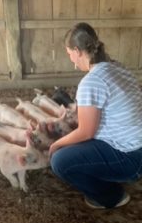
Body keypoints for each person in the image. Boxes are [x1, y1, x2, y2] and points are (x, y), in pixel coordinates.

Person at [49, 22, 142, 209]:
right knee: (75, 141)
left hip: (131, 158)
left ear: (77, 51)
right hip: (136, 145)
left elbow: (86, 132)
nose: (70, 58)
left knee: (59, 161)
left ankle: (112, 197)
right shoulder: (116, 67)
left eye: (69, 53)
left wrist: (56, 144)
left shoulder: (91, 82)